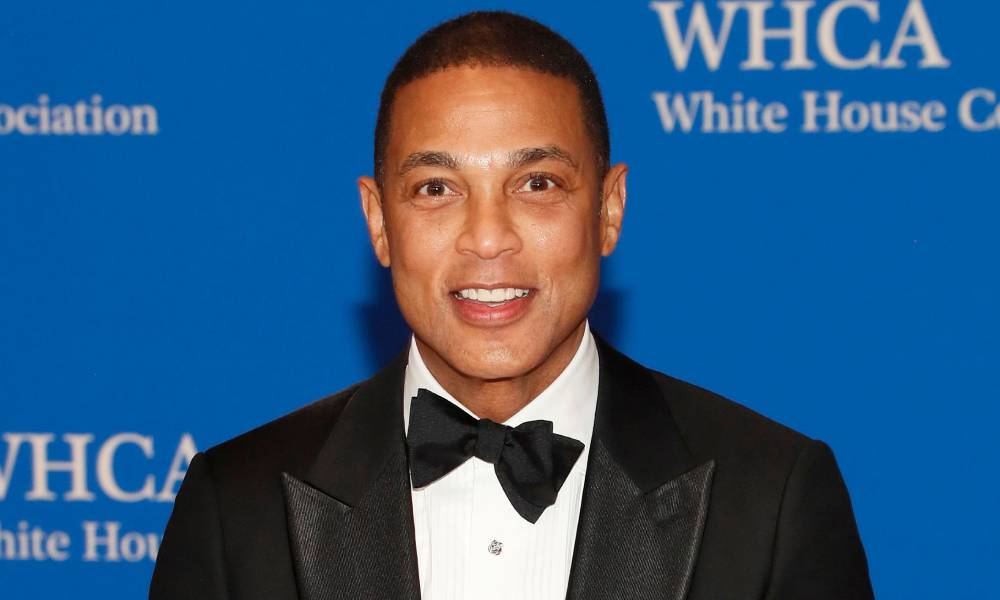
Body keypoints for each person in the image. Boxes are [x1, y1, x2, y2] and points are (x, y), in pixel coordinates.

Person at [149, 10, 874, 600]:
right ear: (379, 222)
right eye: (437, 188)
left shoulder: (770, 499)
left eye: (538, 185)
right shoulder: (234, 506)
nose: (488, 239)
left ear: (609, 208)